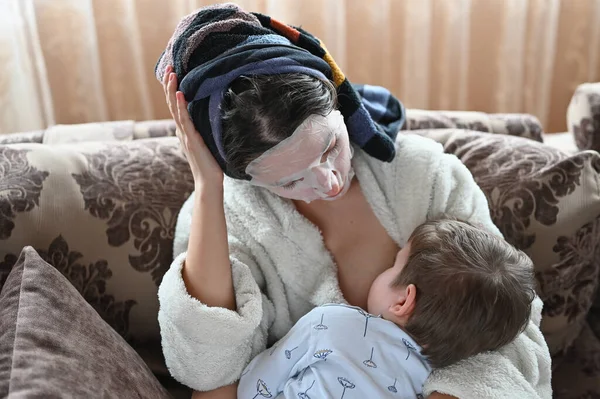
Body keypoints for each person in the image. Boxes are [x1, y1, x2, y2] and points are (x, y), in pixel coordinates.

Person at [156, 4, 551, 399]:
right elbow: (212, 371)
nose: (329, 183)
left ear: (340, 108)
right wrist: (209, 188)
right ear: (245, 177)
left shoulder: (425, 176)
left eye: (331, 146)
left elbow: (510, 323)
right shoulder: (228, 218)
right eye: (291, 179)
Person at [236, 219, 537, 398]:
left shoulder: (331, 323)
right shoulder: (432, 379)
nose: (384, 268)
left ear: (404, 300)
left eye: (394, 265)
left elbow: (253, 385)